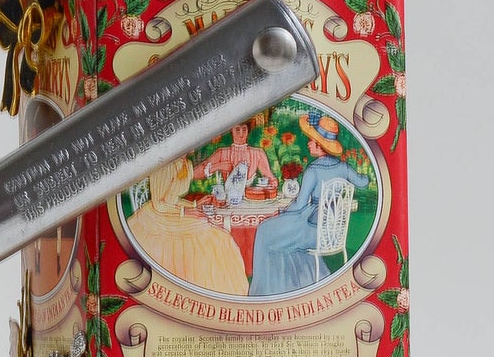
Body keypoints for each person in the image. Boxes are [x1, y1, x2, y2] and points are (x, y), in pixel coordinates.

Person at [247, 112, 373, 298]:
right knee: (279, 238)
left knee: (265, 231)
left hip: (313, 231)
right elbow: (363, 182)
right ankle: (292, 286)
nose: (308, 144)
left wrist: (281, 211)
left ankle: (267, 290)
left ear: (320, 146)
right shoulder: (343, 167)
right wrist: (366, 176)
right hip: (331, 232)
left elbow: (299, 205)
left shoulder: (313, 170)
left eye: (311, 141)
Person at [128, 156, 249, 296]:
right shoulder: (166, 165)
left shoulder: (185, 163)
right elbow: (159, 204)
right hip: (158, 216)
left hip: (172, 212)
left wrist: (195, 204)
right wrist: (186, 211)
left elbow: (173, 199)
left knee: (221, 237)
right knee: (211, 239)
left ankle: (223, 292)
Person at [195, 123, 277, 197]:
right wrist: (219, 166)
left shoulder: (257, 153)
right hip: (228, 200)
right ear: (231, 131)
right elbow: (194, 174)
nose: (241, 134)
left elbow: (271, 178)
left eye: (244, 129)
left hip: (251, 199)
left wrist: (272, 183)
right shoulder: (222, 153)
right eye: (237, 130)